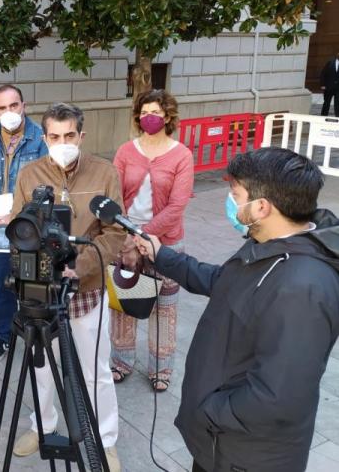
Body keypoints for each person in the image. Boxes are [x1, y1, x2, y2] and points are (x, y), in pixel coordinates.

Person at [133, 147, 339, 472]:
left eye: (235, 193)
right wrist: (162, 256)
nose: (229, 200)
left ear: (261, 207)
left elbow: (278, 396)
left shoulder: (303, 287)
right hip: (220, 443)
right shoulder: (267, 245)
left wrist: (209, 410)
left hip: (244, 455)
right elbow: (223, 281)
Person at [10, 103, 125, 472]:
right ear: (44, 138)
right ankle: (43, 426)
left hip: (87, 290)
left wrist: (81, 264)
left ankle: (104, 440)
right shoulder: (29, 174)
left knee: (96, 369)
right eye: (55, 137)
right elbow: (18, 227)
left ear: (81, 136)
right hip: (41, 292)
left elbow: (115, 232)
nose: (63, 143)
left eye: (69, 135)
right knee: (41, 367)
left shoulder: (105, 173)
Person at [110, 90, 194, 392]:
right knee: (124, 304)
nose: (150, 117)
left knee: (164, 307)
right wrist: (129, 237)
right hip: (125, 239)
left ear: (168, 116)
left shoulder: (181, 155)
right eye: (144, 111)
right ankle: (121, 361)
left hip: (166, 242)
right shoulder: (125, 151)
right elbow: (114, 195)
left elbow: (177, 206)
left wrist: (144, 237)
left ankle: (161, 368)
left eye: (156, 112)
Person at [0, 84, 47, 363]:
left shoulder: (40, 137)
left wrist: (18, 216)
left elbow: (44, 184)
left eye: (13, 105)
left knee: (32, 282)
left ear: (24, 106)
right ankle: (5, 336)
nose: (8, 112)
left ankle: (35, 337)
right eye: (2, 107)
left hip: (28, 224)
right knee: (3, 283)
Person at [320, 52, 339, 116]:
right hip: (328, 87)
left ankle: (338, 117)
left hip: (338, 88)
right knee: (326, 103)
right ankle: (323, 117)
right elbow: (323, 74)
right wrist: (322, 85)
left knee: (337, 103)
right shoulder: (330, 63)